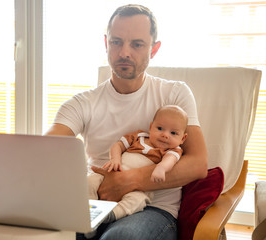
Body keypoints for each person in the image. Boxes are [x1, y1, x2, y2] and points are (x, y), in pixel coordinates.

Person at [46, 4, 208, 240]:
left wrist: (125, 182)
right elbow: (44, 149)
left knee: (120, 238)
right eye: (116, 42)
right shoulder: (81, 103)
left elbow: (198, 164)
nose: (124, 52)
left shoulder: (175, 94)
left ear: (154, 49)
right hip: (93, 201)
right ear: (106, 44)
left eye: (137, 44)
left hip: (151, 208)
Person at [88, 105, 188, 226]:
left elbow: (170, 160)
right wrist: (115, 159)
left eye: (173, 133)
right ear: (151, 127)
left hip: (137, 189)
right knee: (90, 181)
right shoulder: (139, 136)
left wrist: (161, 168)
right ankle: (90, 209)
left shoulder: (172, 150)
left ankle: (112, 214)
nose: (165, 135)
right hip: (112, 173)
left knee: (138, 200)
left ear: (183, 138)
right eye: (160, 128)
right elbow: (118, 145)